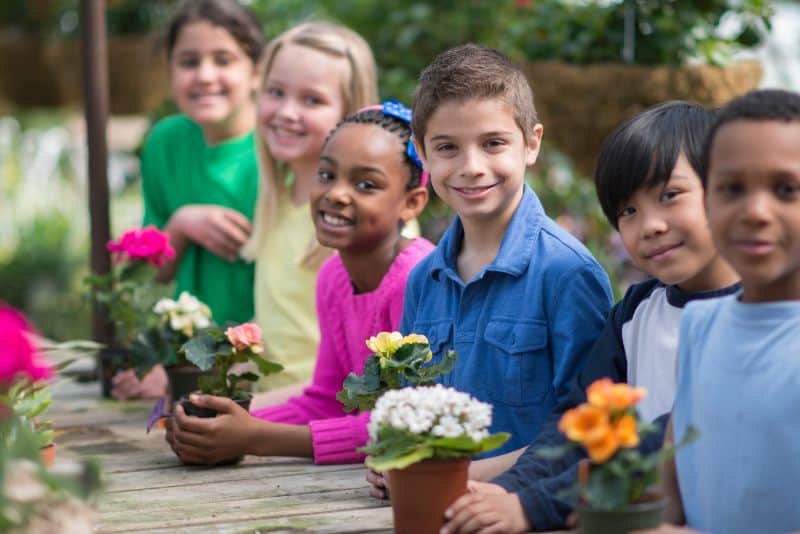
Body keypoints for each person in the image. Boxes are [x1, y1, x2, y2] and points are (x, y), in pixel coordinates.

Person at [439, 101, 742, 533]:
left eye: (669, 196)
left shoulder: (755, 318)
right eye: (628, 212)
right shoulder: (637, 311)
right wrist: (509, 490)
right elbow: (577, 422)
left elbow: (661, 441)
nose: (650, 225)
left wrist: (533, 505)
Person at [367, 43, 614, 499]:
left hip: (528, 511)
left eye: (493, 143)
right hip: (427, 507)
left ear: (531, 143)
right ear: (421, 153)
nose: (471, 167)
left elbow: (584, 430)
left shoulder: (567, 274)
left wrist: (463, 477)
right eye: (447, 148)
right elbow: (408, 404)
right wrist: (394, 457)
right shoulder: (424, 279)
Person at [165, 102, 434, 465]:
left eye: (366, 184)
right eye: (326, 175)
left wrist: (256, 438)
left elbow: (404, 427)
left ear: (412, 203)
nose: (336, 193)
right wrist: (218, 427)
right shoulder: (334, 276)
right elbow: (325, 399)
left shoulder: (418, 281)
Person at [642, 89, 800, 533]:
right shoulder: (700, 325)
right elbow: (671, 488)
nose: (755, 211)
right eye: (731, 188)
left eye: (786, 189)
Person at [112, 0, 264, 400]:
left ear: (256, 72)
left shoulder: (276, 149)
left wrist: (195, 370)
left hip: (263, 361)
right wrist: (180, 223)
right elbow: (150, 276)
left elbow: (298, 297)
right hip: (189, 354)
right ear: (170, 72)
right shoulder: (166, 141)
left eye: (223, 59)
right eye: (189, 62)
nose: (205, 75)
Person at [238, 22, 381, 401]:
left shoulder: (369, 219)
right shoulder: (277, 200)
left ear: (351, 115)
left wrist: (249, 410)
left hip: (321, 415)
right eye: (276, 92)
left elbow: (367, 371)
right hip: (272, 407)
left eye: (312, 100)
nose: (286, 112)